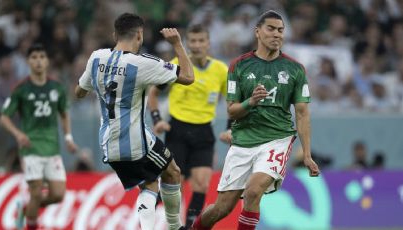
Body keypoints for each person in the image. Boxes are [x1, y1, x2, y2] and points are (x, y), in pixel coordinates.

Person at [192, 10, 320, 230]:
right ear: (257, 32)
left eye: (280, 30)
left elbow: (302, 112)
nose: (276, 34)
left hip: (276, 139)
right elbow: (232, 111)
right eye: (271, 29)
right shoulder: (238, 66)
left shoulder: (295, 69)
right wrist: (250, 102)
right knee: (222, 207)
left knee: (253, 191)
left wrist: (307, 154)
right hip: (242, 141)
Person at [74, 13, 194, 230]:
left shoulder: (96, 58)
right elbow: (188, 76)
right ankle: (176, 226)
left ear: (114, 34)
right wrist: (177, 44)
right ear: (140, 35)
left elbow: (79, 92)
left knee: (149, 183)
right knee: (173, 172)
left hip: (109, 144)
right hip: (135, 140)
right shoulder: (142, 63)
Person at [147, 24, 229, 229]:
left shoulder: (221, 70)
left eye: (201, 40)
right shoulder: (176, 64)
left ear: (208, 43)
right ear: (187, 43)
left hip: (204, 132)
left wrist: (230, 127)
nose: (197, 45)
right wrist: (157, 120)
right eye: (192, 41)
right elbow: (153, 93)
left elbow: (232, 102)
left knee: (201, 184)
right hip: (178, 131)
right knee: (175, 186)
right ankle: (163, 221)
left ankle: (191, 225)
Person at [0, 44, 78, 230]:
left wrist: (68, 138)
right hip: (30, 148)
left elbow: (64, 114)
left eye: (42, 57)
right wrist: (18, 134)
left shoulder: (57, 88)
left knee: (58, 195)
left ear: (47, 61)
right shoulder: (21, 89)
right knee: (36, 192)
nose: (39, 61)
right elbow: (3, 117)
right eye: (34, 57)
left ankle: (26, 209)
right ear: (28, 61)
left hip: (52, 148)